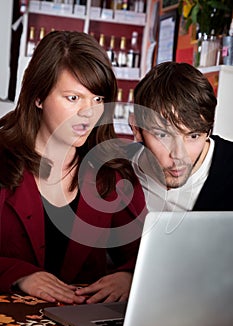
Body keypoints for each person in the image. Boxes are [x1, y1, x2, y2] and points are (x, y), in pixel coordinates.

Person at [0, 31, 146, 305]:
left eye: (98, 99)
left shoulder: (112, 172)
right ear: (38, 97)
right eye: (73, 98)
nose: (89, 113)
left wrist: (129, 275)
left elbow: (147, 251)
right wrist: (19, 274)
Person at [130, 61, 233, 211]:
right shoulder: (118, 168)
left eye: (193, 136)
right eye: (162, 135)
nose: (179, 155)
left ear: (208, 131)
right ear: (136, 129)